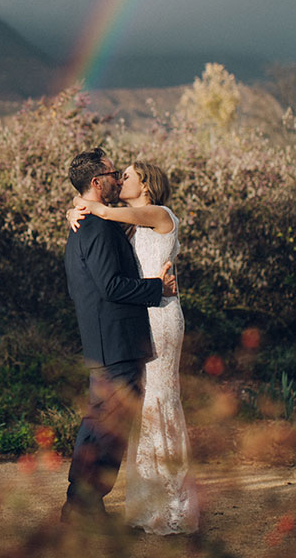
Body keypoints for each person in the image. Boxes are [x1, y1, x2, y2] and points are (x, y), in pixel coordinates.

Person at [68, 160, 199, 535]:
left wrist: (81, 204)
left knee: (159, 402)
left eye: (126, 175)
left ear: (146, 184)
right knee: (139, 412)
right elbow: (101, 221)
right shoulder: (124, 223)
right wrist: (74, 209)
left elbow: (101, 208)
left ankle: (172, 506)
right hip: (139, 313)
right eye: (116, 175)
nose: (120, 179)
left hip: (159, 314)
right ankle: (146, 507)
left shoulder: (158, 213)